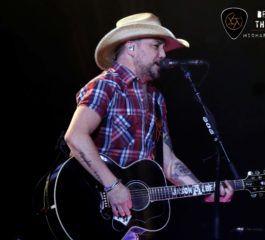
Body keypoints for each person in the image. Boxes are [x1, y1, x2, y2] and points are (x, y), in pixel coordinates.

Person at [64, 12, 234, 240]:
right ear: (131, 47)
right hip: (97, 212)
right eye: (156, 46)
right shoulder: (107, 85)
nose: (163, 55)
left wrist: (203, 190)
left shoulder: (156, 99)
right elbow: (75, 136)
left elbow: (169, 163)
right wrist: (112, 186)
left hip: (134, 222)